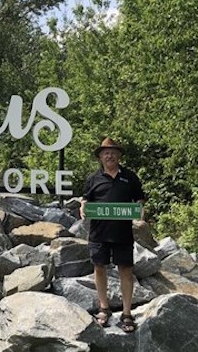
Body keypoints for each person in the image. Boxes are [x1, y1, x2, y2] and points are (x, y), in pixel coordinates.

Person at [79, 137, 146, 333]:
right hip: (99, 233)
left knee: (126, 270)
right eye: (106, 153)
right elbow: (85, 200)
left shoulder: (130, 177)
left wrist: (140, 211)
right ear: (100, 156)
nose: (110, 155)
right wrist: (82, 207)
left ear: (119, 156)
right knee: (99, 268)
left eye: (113, 152)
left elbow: (140, 198)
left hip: (123, 233)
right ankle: (104, 308)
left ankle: (126, 313)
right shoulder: (93, 179)